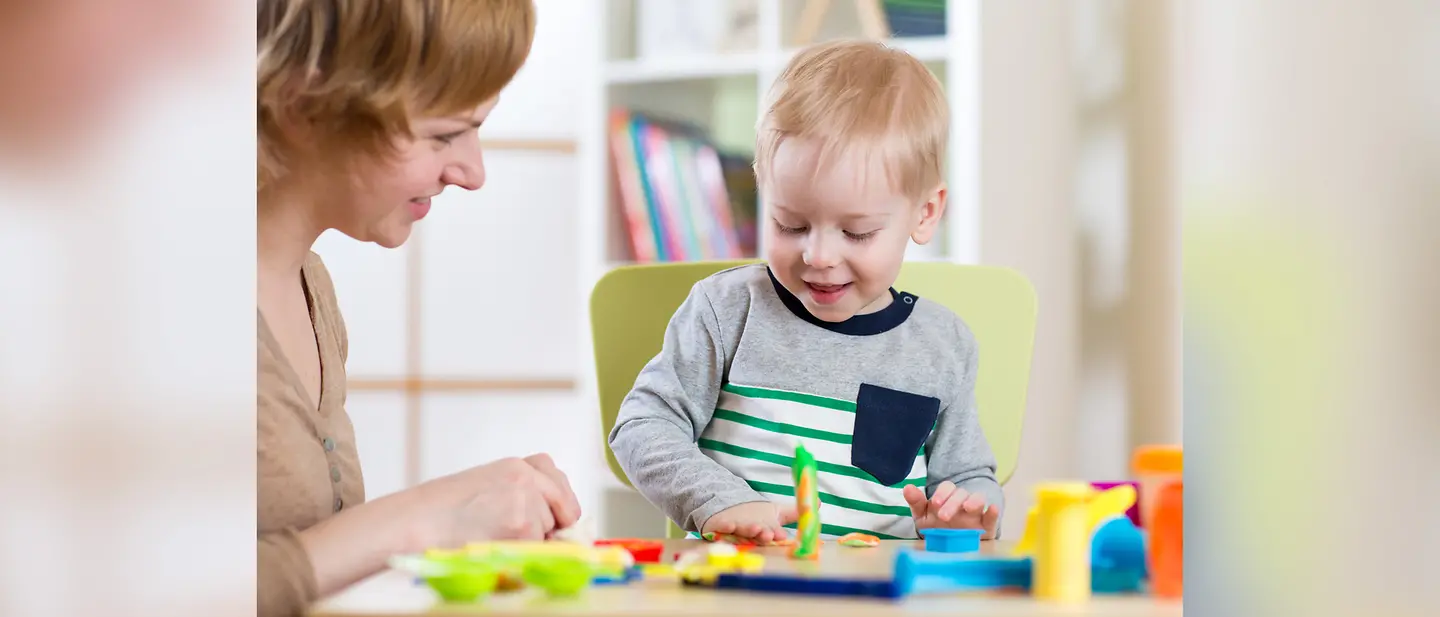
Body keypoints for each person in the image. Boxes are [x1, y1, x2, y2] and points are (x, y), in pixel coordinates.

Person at [608, 40, 1003, 544]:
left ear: (924, 213)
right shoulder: (727, 311)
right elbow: (642, 426)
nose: (818, 255)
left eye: (856, 232)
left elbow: (968, 477)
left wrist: (969, 512)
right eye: (789, 224)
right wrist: (719, 500)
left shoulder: (942, 344)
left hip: (880, 596)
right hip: (738, 586)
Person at [256, 1, 580, 616]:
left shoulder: (309, 287)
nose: (472, 172)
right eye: (444, 135)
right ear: (303, 106)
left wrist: (466, 512)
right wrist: (420, 520)